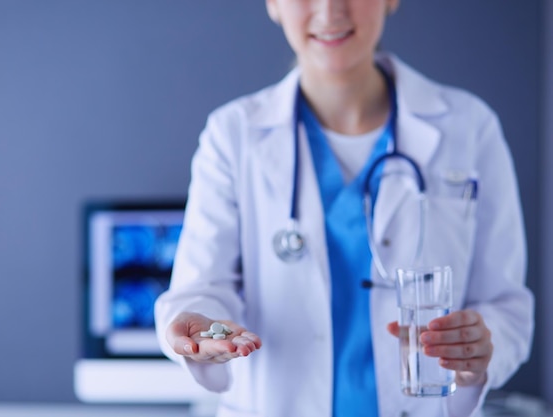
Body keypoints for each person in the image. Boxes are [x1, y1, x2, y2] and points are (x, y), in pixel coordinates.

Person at [154, 0, 534, 416]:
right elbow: (202, 287)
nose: (330, 9)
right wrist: (198, 326)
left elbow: (506, 306)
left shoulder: (469, 127)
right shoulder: (232, 135)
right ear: (273, 4)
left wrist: (479, 348)